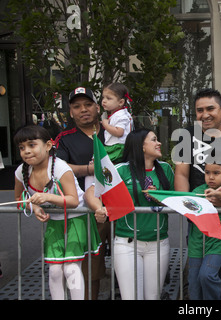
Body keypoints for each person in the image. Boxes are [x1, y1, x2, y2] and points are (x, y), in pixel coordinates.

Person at [173, 88, 221, 300]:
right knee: (199, 275)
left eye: (210, 108)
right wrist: (187, 208)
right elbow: (181, 174)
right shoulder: (186, 135)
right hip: (200, 219)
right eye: (199, 110)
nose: (204, 114)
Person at [13, 125, 101, 300]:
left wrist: (46, 197)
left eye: (32, 145)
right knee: (54, 271)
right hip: (55, 222)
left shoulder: (61, 168)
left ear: (48, 145)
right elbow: (19, 199)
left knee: (71, 269)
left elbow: (74, 201)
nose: (27, 151)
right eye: (22, 148)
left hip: (77, 220)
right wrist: (33, 208)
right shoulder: (21, 172)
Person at [86, 128, 173, 300]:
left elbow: (175, 200)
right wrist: (98, 208)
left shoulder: (165, 169)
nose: (159, 143)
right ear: (141, 146)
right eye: (154, 140)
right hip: (127, 244)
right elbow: (92, 191)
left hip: (159, 243)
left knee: (153, 297)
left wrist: (159, 198)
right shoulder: (121, 170)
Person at [54, 86, 108, 299]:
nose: (83, 110)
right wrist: (88, 169)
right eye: (77, 106)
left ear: (97, 107)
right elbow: (58, 167)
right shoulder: (64, 138)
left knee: (129, 255)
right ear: (71, 112)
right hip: (88, 209)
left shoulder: (112, 132)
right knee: (90, 263)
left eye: (87, 104)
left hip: (121, 204)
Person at [188, 161, 221, 300]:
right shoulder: (197, 191)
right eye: (207, 173)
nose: (211, 177)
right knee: (194, 285)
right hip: (196, 243)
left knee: (207, 274)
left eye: (216, 173)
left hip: (218, 242)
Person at [101, 83, 134, 163]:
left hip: (118, 148)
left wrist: (105, 125)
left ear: (121, 102)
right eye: (103, 97)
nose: (104, 101)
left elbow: (119, 132)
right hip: (115, 146)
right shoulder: (118, 114)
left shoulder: (121, 115)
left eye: (109, 98)